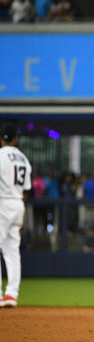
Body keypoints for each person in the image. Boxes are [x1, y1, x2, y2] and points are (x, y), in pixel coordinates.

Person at [0, 123, 32, 307]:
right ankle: (12, 294)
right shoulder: (23, 158)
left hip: (2, 201)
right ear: (15, 139)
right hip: (18, 202)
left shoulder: (0, 155)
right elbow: (27, 188)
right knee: (12, 251)